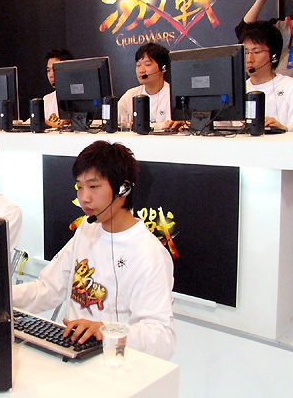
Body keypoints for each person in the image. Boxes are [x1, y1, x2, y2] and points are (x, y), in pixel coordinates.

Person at [12, 140, 175, 360]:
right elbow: (48, 288)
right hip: (74, 356)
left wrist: (106, 331)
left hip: (116, 364)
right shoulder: (87, 230)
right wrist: (1, 297)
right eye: (79, 187)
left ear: (123, 189)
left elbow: (162, 337)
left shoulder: (150, 254)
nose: (84, 198)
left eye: (94, 186)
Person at [238, 21, 293, 244]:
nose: (249, 59)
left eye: (256, 52)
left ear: (273, 55)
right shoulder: (239, 89)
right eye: (246, 52)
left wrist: (284, 129)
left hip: (287, 169)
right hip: (247, 166)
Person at [117, 42, 173, 131]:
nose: (141, 70)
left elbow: (173, 125)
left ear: (163, 68)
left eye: (147, 65)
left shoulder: (173, 95)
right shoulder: (130, 94)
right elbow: (115, 120)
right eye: (138, 65)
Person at [43, 48, 74, 128]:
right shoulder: (47, 99)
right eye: (48, 70)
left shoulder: (82, 98)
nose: (51, 75)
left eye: (55, 69)